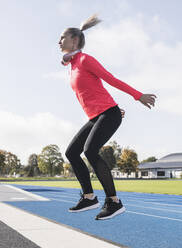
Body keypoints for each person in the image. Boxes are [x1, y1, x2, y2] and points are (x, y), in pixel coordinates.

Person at [59, 14, 157, 220]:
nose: (59, 42)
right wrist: (67, 58)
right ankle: (89, 197)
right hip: (98, 116)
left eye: (62, 38)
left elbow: (111, 80)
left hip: (108, 114)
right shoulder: (73, 64)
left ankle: (114, 202)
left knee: (90, 150)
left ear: (74, 40)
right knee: (71, 152)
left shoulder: (86, 60)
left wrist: (138, 96)